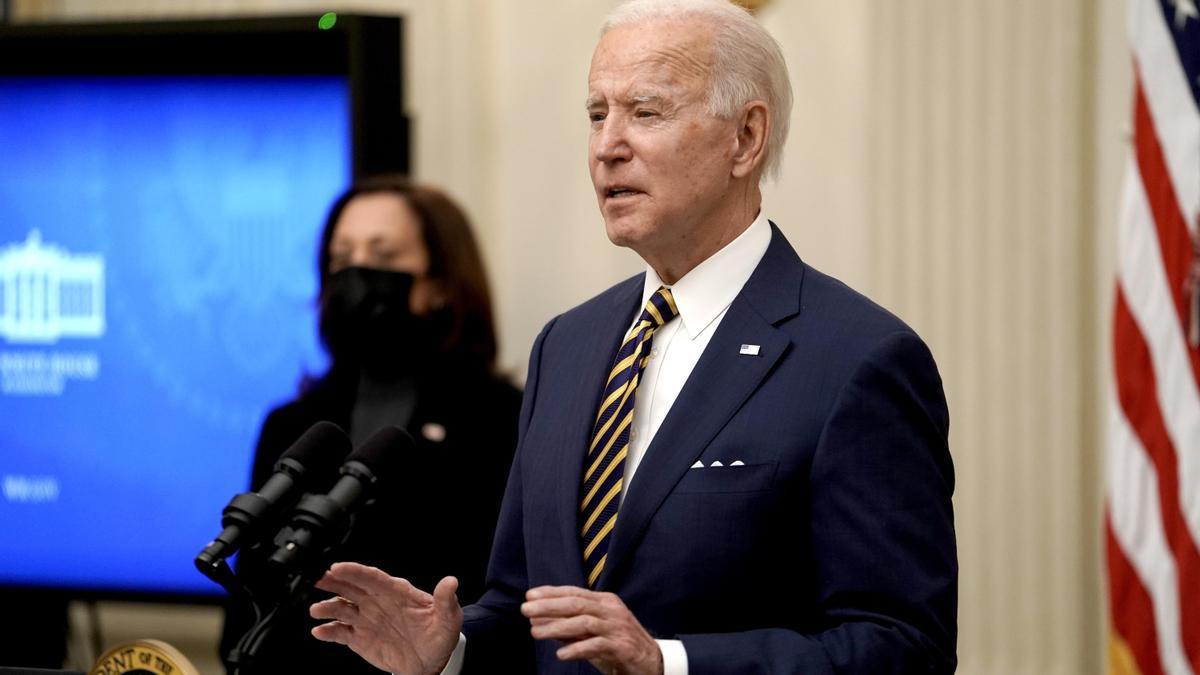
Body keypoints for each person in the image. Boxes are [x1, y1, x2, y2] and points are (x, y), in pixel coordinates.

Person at [308, 1, 958, 673]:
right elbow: (522, 605)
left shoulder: (858, 358)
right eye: (597, 114)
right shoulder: (567, 344)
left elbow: (905, 646)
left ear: (746, 138)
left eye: (645, 113)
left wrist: (667, 662)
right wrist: (455, 648)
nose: (607, 146)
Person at [220, 175, 522, 674]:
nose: (357, 275)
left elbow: (508, 597)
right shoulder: (291, 424)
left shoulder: (501, 418)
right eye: (341, 260)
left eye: (382, 258)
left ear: (443, 282)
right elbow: (248, 601)